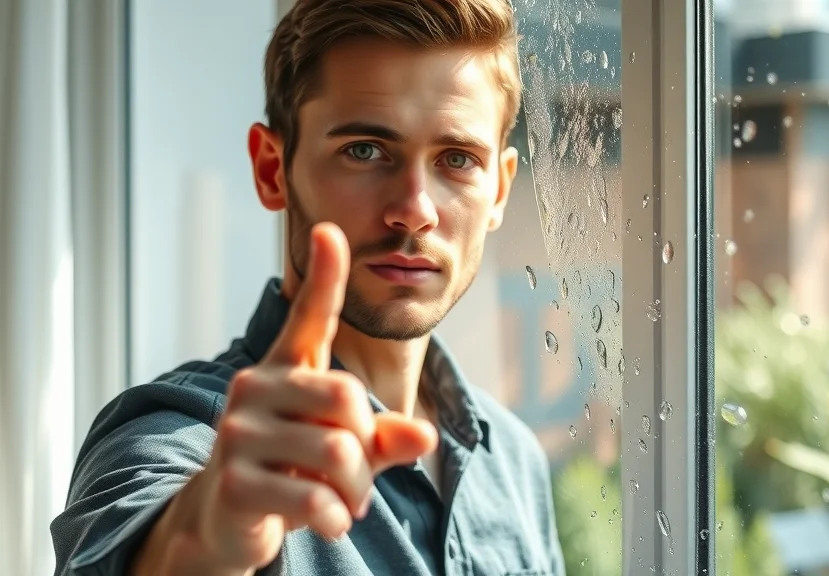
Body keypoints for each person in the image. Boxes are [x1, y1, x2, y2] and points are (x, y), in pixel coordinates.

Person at [50, 1, 566, 574]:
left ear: (498, 191)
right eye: (365, 151)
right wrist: (205, 534)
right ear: (273, 169)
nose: (415, 210)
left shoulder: (516, 462)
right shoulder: (188, 440)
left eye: (456, 159)